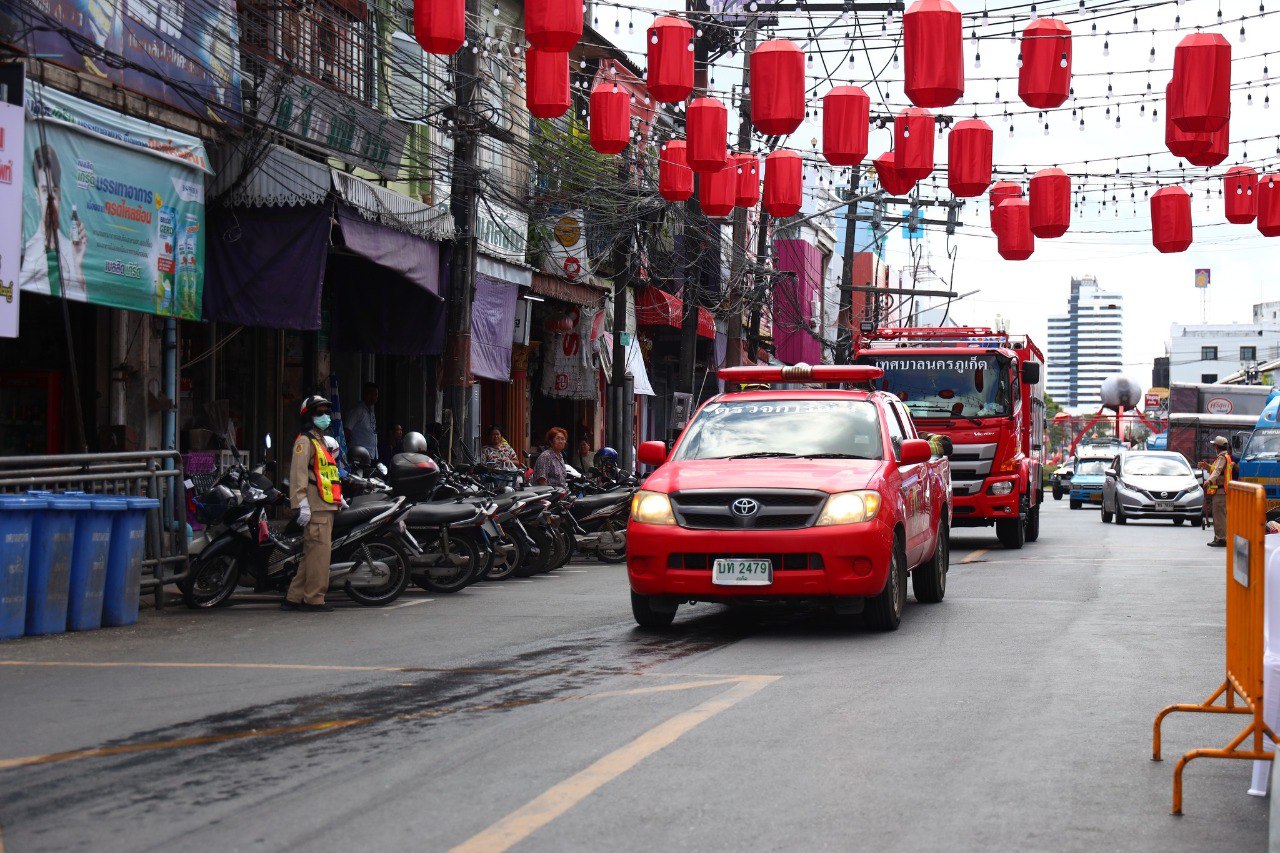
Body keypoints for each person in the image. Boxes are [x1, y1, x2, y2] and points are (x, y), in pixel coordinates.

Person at [286, 395, 344, 612]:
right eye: (319, 413)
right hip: (316, 506)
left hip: (325, 503)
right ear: (309, 417)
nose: (325, 417)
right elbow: (298, 475)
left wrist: (339, 497)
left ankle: (294, 596)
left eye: (326, 412)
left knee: (312, 554)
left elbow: (325, 474)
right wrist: (301, 503)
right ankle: (314, 599)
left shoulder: (320, 442)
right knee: (320, 555)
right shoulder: (305, 441)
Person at [20, 144, 87, 299]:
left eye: (54, 191)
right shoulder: (26, 252)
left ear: (60, 195)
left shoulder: (72, 250)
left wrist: (77, 265)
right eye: (45, 191)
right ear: (37, 195)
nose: (50, 200)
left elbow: (81, 303)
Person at [1204, 435, 1235, 548]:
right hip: (1223, 491)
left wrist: (1208, 481)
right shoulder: (1225, 457)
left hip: (1221, 492)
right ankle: (1221, 537)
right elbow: (1217, 471)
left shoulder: (1222, 458)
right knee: (1221, 516)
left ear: (1216, 446)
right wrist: (1207, 467)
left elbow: (1217, 472)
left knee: (1219, 516)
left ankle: (1221, 539)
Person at [344, 382, 379, 461]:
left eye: (375, 394)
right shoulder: (358, 411)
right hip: (358, 456)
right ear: (364, 394)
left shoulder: (371, 412)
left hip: (371, 455)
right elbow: (346, 431)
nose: (373, 397)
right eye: (370, 394)